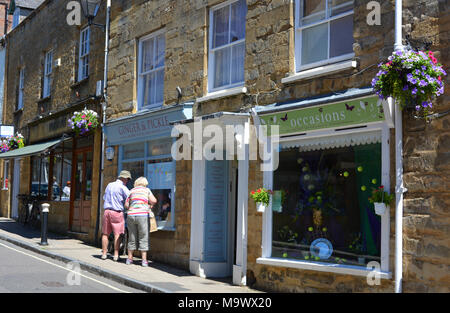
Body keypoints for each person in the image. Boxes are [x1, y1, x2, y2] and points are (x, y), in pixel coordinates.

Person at [124, 176, 157, 267]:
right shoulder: (146, 190)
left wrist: (133, 206)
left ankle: (129, 259)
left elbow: (126, 205)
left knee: (132, 236)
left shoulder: (131, 191)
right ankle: (144, 261)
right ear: (144, 183)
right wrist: (149, 205)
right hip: (142, 215)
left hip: (131, 215)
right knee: (143, 236)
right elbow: (154, 200)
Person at [101, 170, 131, 261]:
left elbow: (104, 197)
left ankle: (104, 254)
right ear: (124, 178)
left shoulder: (109, 185)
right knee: (117, 234)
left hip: (107, 211)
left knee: (105, 234)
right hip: (117, 212)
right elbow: (130, 197)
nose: (128, 181)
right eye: (128, 179)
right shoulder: (123, 187)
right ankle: (116, 254)